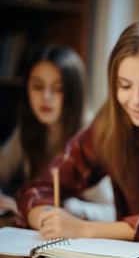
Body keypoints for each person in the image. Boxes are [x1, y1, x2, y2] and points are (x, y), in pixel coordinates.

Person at [17, 20, 139, 242]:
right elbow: (38, 189)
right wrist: (48, 219)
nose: (136, 100)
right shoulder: (111, 121)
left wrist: (84, 230)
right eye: (124, 85)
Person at [0, 46, 84, 215]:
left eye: (58, 89)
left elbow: (109, 209)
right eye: (37, 86)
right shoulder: (29, 128)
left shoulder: (87, 137)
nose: (46, 97)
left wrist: (64, 207)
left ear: (73, 93)